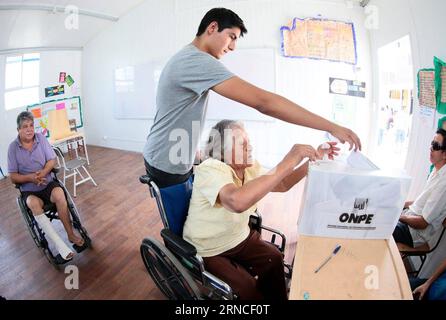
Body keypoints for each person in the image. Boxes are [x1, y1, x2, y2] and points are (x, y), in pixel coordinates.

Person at [143, 7, 360, 188]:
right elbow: (264, 103)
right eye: (232, 37)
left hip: (166, 153)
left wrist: (191, 152)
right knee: (186, 226)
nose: (233, 46)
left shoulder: (187, 57)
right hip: (167, 164)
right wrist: (331, 126)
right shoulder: (196, 61)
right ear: (212, 27)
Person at [182, 120, 339, 300]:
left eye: (249, 142)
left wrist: (313, 161)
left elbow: (282, 183)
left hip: (239, 237)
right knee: (247, 288)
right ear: (222, 151)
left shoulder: (250, 168)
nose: (250, 147)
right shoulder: (211, 168)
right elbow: (236, 202)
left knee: (274, 259)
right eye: (243, 144)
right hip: (209, 247)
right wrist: (288, 161)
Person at [8, 111, 88, 264]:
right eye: (25, 126)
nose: (29, 129)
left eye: (31, 125)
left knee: (59, 193)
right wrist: (30, 178)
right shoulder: (13, 148)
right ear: (18, 129)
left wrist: (43, 173)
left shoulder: (41, 138)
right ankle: (60, 246)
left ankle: (70, 234)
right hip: (29, 189)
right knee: (32, 203)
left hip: (47, 183)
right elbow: (13, 176)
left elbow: (52, 160)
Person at [393, 128, 446, 249]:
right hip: (408, 219)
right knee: (379, 214)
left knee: (379, 225)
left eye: (436, 146)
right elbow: (419, 203)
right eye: (432, 144)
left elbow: (423, 223)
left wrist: (398, 216)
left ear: (445, 154)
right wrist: (398, 205)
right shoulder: (436, 171)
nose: (431, 148)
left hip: (413, 233)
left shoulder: (443, 184)